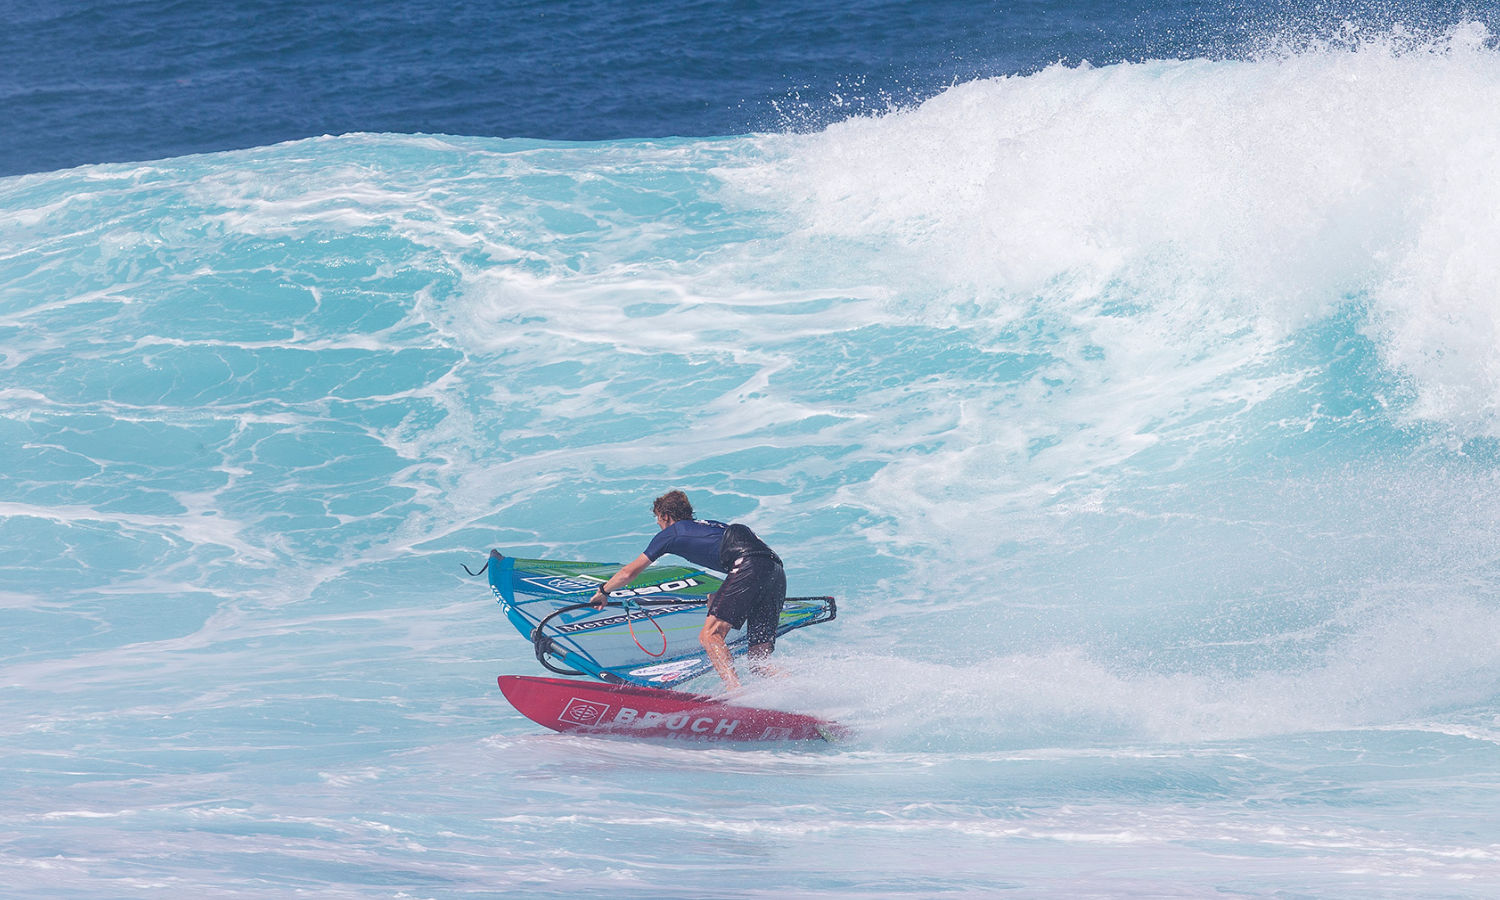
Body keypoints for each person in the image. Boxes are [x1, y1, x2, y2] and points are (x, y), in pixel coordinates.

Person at [590, 490, 786, 690]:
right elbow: (754, 560)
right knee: (759, 662)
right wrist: (720, 594)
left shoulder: (671, 533)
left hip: (748, 565)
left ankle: (736, 693)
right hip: (776, 571)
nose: (658, 524)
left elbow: (628, 573)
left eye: (658, 519)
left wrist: (604, 591)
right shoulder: (711, 526)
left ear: (665, 516)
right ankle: (803, 690)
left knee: (710, 635)